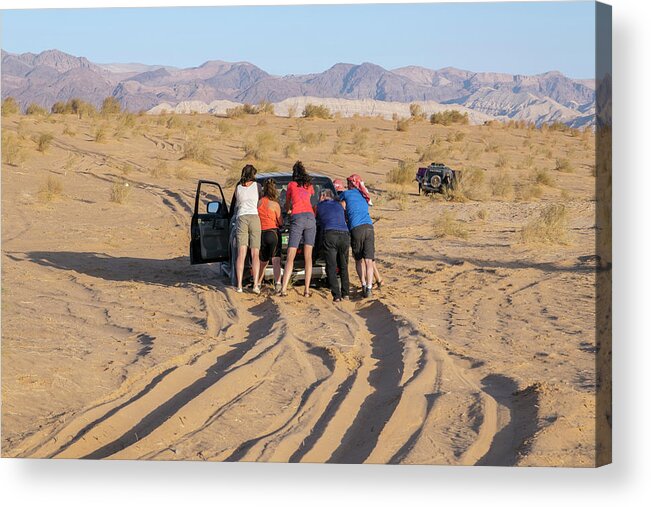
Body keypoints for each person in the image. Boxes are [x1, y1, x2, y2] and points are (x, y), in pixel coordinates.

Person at [279, 161, 316, 297]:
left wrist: (288, 210)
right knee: (308, 256)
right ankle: (306, 290)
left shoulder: (291, 185)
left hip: (297, 218)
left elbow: (288, 204)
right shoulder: (309, 185)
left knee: (290, 255)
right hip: (311, 218)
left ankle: (283, 289)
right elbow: (310, 198)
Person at [339, 174, 375, 298]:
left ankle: (363, 284)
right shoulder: (364, 195)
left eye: (347, 183)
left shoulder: (346, 194)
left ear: (351, 184)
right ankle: (370, 288)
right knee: (369, 260)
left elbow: (338, 203)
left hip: (356, 228)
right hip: (369, 227)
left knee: (359, 259)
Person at [230, 164, 262, 294]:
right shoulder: (258, 186)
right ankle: (255, 285)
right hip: (254, 217)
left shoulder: (238, 188)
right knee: (255, 254)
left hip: (241, 218)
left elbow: (236, 205)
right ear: (253, 174)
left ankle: (239, 285)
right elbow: (259, 202)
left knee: (241, 253)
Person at [316, 188, 350, 302]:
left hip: (330, 234)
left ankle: (336, 295)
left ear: (323, 196)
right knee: (343, 265)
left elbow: (318, 219)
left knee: (331, 265)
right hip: (344, 234)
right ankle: (346, 293)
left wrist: (320, 201)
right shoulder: (339, 205)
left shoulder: (320, 206)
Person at [256, 178, 283, 293]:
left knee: (263, 262)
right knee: (276, 260)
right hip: (273, 233)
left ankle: (257, 284)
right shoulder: (275, 204)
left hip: (261, 233)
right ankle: (277, 284)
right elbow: (280, 221)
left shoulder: (259, 202)